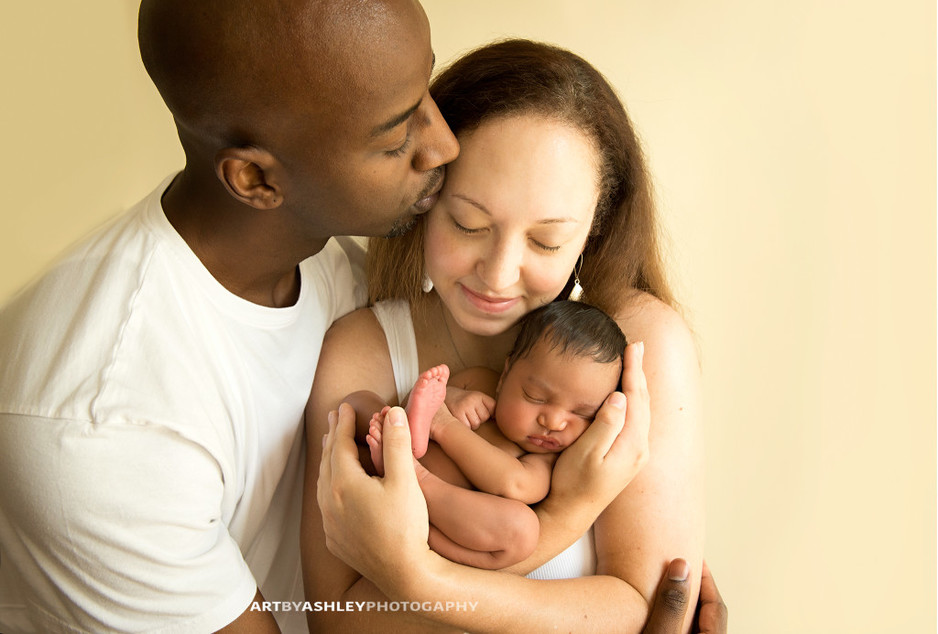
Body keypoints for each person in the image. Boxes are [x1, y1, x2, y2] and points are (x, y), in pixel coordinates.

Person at [0, 0, 463, 631]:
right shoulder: (109, 428)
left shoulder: (334, 258)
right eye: (396, 135)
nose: (444, 144)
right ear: (254, 179)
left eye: (426, 90)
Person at [305, 39, 706, 632]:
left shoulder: (640, 345)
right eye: (468, 224)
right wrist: (568, 514)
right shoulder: (362, 350)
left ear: (593, 230)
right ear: (424, 199)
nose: (497, 274)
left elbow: (639, 609)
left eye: (546, 241)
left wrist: (416, 580)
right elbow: (337, 623)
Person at [349, 300, 627, 569]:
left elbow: (514, 484)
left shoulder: (547, 459)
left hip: (435, 507)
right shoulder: (480, 382)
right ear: (506, 375)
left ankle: (417, 498)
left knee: (522, 531)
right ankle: (395, 454)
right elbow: (423, 405)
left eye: (581, 414)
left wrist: (445, 425)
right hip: (391, 455)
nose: (553, 421)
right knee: (359, 402)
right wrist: (452, 397)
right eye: (536, 396)